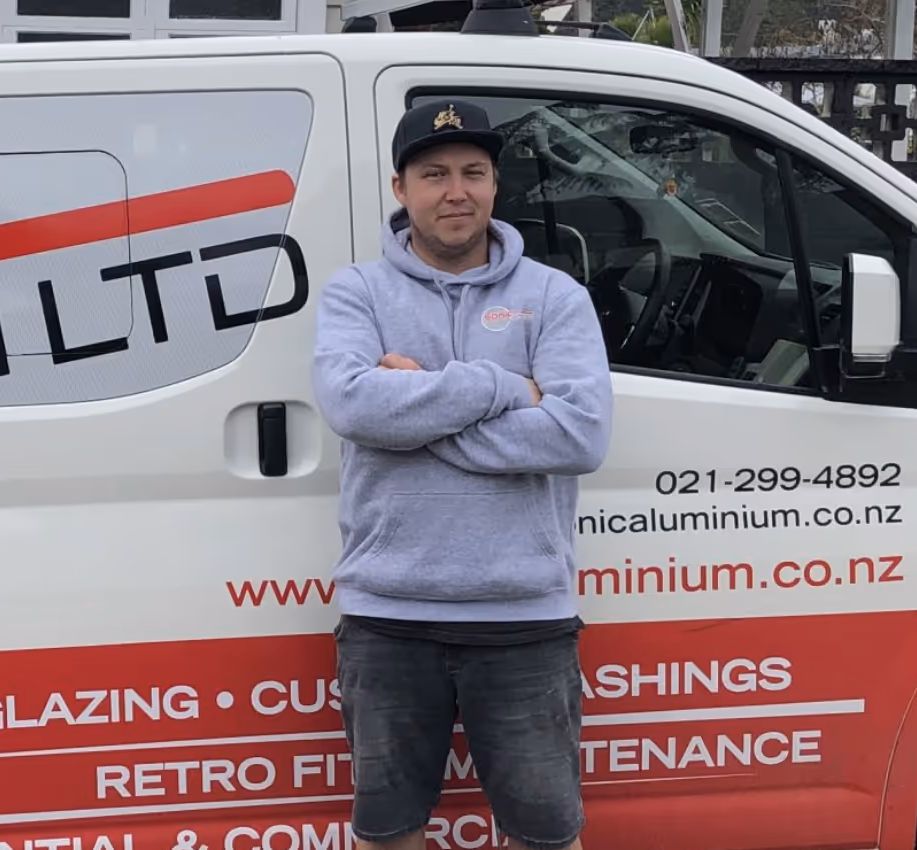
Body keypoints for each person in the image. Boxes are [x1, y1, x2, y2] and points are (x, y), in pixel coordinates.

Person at [309, 99, 614, 850]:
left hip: (524, 617)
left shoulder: (553, 297)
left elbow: (580, 434)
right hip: (387, 614)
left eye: (473, 173)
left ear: (494, 186)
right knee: (388, 833)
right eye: (434, 174)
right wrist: (504, 387)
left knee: (544, 836)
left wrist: (419, 414)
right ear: (399, 188)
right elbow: (353, 405)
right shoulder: (357, 292)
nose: (456, 191)